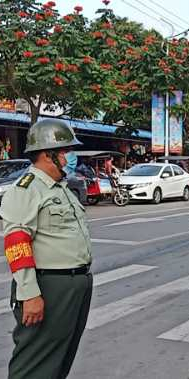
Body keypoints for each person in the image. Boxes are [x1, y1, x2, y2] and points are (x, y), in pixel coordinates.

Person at [0, 119, 93, 379]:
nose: (70, 157)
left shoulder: (60, 188)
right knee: (34, 362)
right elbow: (16, 242)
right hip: (48, 287)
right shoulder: (27, 189)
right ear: (47, 154)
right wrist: (30, 294)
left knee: (59, 360)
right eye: (65, 151)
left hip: (74, 284)